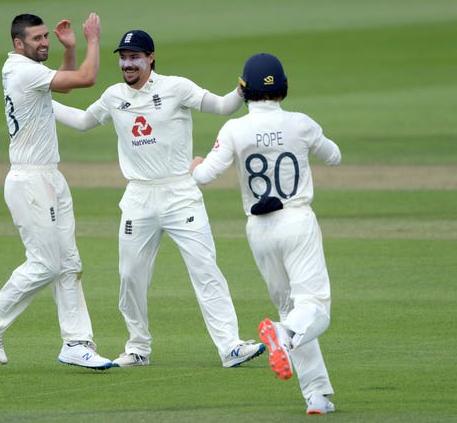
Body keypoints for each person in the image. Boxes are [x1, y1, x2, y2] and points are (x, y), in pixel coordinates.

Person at [51, 29, 265, 368]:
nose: (128, 63)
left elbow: (222, 107)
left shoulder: (176, 87)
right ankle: (138, 349)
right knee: (131, 277)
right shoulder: (113, 96)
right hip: (138, 195)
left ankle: (231, 347)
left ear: (150, 57)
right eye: (123, 57)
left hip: (181, 193)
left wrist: (242, 89)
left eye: (135, 56)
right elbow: (81, 121)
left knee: (206, 270)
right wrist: (43, 102)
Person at [189, 53, 341, 413]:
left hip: (259, 229)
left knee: (293, 307)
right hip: (297, 220)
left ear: (244, 90)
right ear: (283, 88)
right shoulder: (301, 123)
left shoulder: (234, 129)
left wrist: (195, 164)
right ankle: (283, 334)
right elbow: (334, 156)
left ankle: (316, 395)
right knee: (314, 308)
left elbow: (203, 176)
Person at [0, 12, 112, 370]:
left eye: (45, 36)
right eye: (37, 39)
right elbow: (86, 78)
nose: (44, 42)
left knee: (68, 263)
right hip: (30, 181)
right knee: (46, 263)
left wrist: (70, 48)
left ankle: (76, 343)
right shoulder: (21, 70)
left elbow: (62, 84)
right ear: (18, 44)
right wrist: (93, 39)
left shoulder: (27, 72)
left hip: (50, 176)